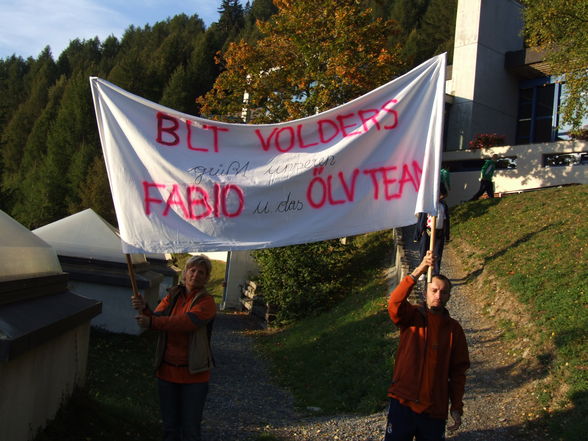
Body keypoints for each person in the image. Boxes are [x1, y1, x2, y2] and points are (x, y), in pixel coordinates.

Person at [384, 251, 470, 441]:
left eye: (443, 292)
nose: (438, 295)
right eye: (434, 290)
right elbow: (394, 304)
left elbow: (458, 372)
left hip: (434, 408)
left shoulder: (454, 329)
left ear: (448, 296)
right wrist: (418, 270)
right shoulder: (412, 316)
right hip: (404, 401)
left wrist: (456, 406)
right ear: (425, 292)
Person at [132, 254, 217, 441]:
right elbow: (159, 317)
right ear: (185, 273)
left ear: (206, 278)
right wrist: (145, 308)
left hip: (195, 375)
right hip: (167, 373)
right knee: (170, 428)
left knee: (190, 430)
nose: (196, 275)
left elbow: (186, 323)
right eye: (192, 270)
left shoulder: (207, 302)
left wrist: (151, 321)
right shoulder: (172, 295)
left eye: (201, 272)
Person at [414, 190, 450, 276]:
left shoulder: (443, 206)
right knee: (424, 251)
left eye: (441, 194)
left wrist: (447, 233)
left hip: (439, 232)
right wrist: (418, 233)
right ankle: (423, 272)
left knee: (437, 253)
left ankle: (435, 273)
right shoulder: (428, 205)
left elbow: (446, 220)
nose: (440, 196)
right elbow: (421, 219)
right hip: (428, 231)